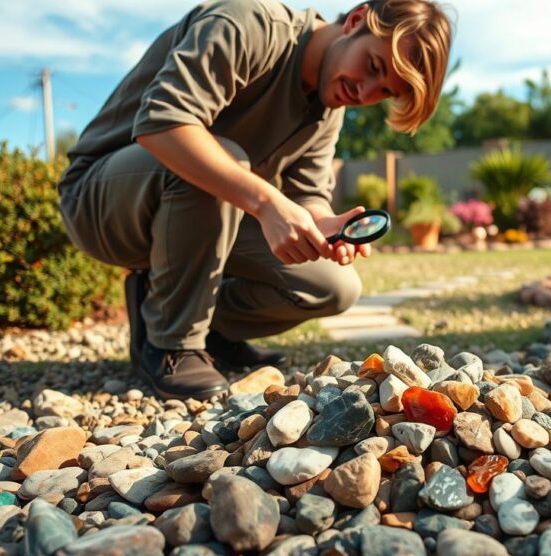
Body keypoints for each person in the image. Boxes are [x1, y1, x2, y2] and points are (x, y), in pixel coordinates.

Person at [57, 0, 452, 399]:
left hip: (201, 217)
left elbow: (309, 194)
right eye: (373, 66)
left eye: (384, 91)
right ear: (355, 20)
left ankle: (209, 330)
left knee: (333, 286)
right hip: (101, 201)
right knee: (226, 157)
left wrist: (324, 225)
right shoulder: (249, 24)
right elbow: (163, 123)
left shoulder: (330, 103)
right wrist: (266, 204)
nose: (364, 92)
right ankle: (170, 343)